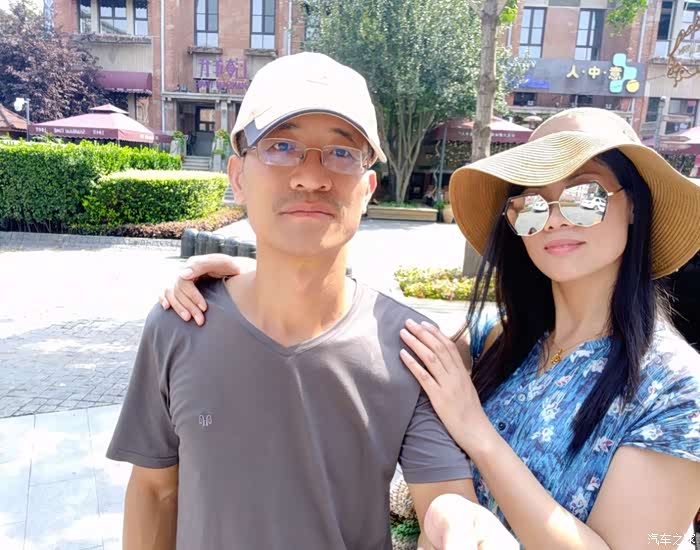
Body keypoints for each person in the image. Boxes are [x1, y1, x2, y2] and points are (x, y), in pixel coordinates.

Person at [166, 108, 700, 549]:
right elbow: (378, 343)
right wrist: (269, 280)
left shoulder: (677, 387)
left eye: (585, 197)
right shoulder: (499, 337)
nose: (555, 217)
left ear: (635, 206)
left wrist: (477, 433)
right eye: (532, 204)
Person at [108, 52, 515, 550]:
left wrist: (462, 524)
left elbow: (444, 501)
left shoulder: (411, 347)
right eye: (282, 146)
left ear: (367, 189)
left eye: (341, 153)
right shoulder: (180, 325)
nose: (312, 177)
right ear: (238, 177)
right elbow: (154, 491)